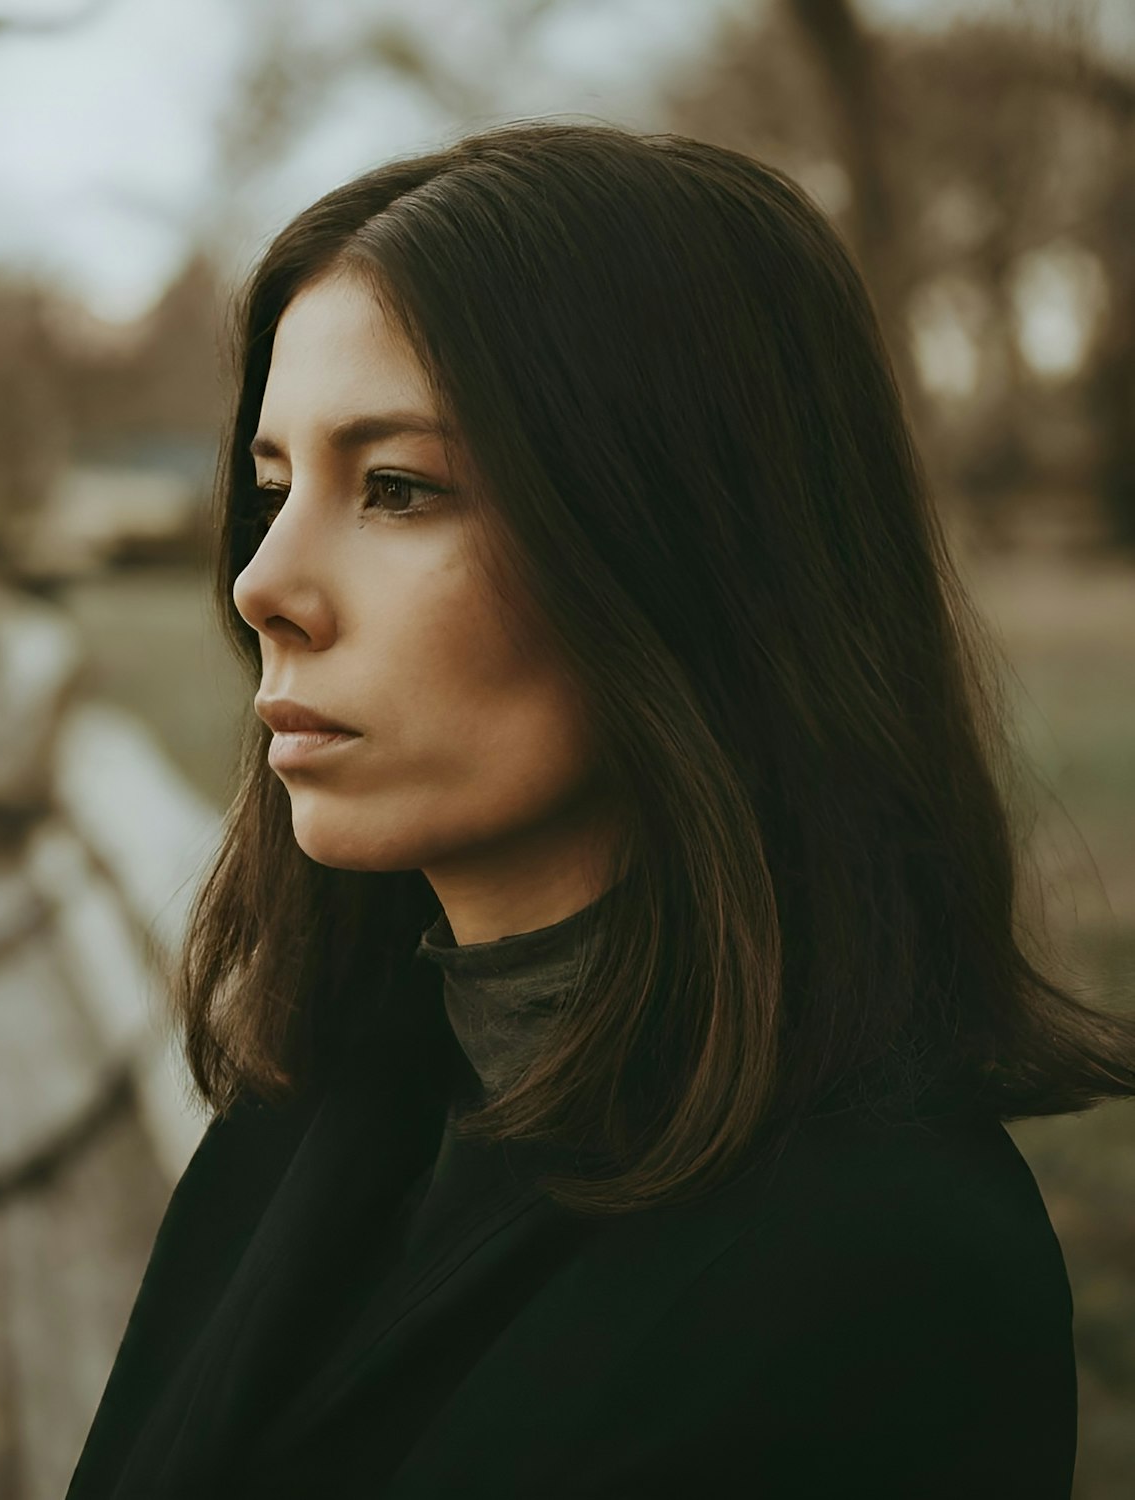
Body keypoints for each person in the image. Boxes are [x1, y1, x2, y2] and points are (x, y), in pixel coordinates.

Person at [65, 121, 1135, 1499]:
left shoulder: (880, 1277)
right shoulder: (323, 1104)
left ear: (684, 551)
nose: (263, 584)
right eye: (271, 492)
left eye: (396, 488)